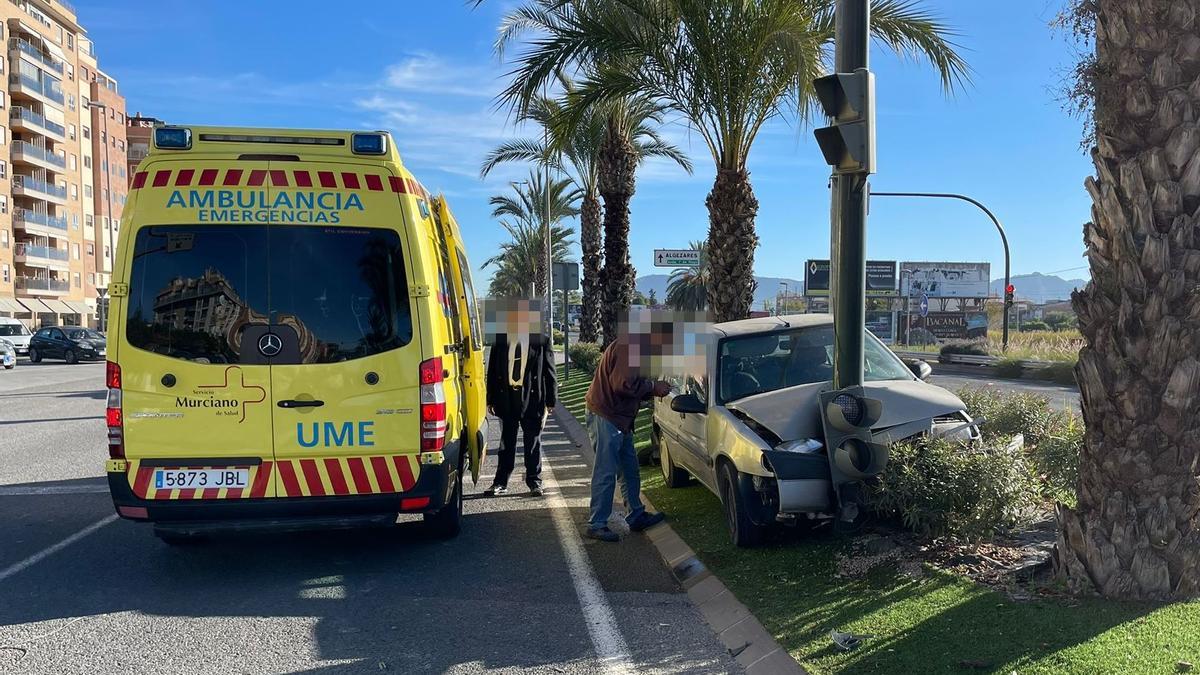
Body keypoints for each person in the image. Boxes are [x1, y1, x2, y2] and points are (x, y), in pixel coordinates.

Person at [583, 328, 672, 542]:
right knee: (606, 471)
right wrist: (653, 386)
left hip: (619, 418)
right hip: (607, 416)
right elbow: (622, 384)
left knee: (629, 468)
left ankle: (636, 514)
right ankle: (597, 523)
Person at [484, 329, 556, 497]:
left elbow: (549, 370)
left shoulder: (541, 341)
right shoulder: (500, 339)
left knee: (532, 442)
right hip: (506, 397)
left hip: (532, 398)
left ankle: (534, 481)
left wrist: (551, 401)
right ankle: (500, 482)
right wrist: (491, 399)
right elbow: (493, 370)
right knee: (506, 443)